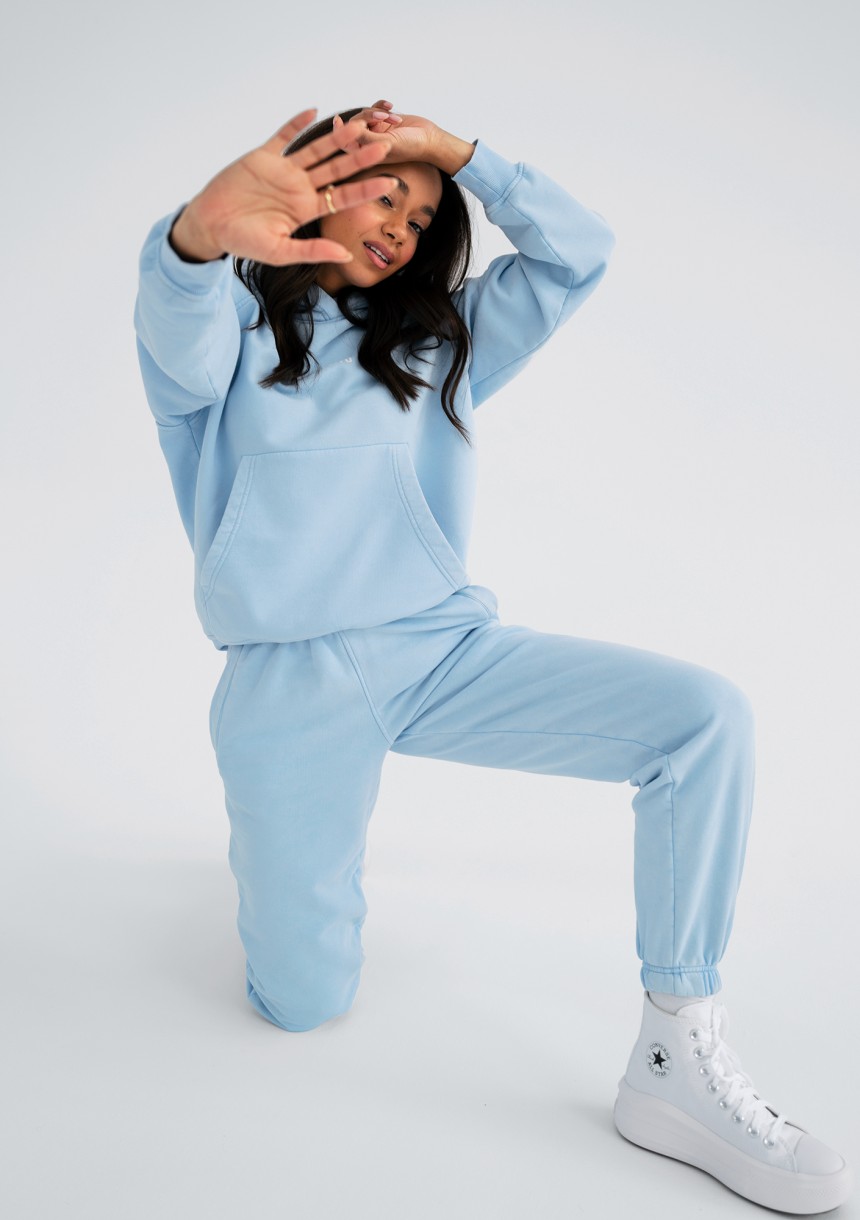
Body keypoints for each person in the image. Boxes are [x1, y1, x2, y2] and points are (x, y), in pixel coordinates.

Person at [134, 100, 852, 1214]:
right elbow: (176, 305)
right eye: (386, 194)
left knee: (703, 717)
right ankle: (289, 854)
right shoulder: (223, 331)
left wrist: (462, 155)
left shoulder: (435, 345)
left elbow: (579, 254)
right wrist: (192, 238)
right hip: (287, 687)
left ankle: (676, 1044)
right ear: (312, 186)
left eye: (424, 217)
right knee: (301, 1002)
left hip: (441, 653)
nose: (403, 225)